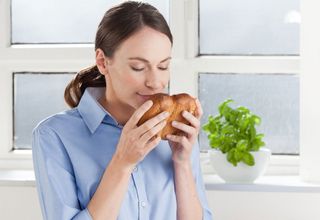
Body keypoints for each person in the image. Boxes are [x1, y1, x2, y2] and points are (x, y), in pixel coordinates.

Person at [32, 1, 213, 220]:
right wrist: (122, 162)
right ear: (103, 62)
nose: (156, 82)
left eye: (163, 66)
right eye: (138, 67)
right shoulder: (54, 136)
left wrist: (182, 162)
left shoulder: (178, 130)